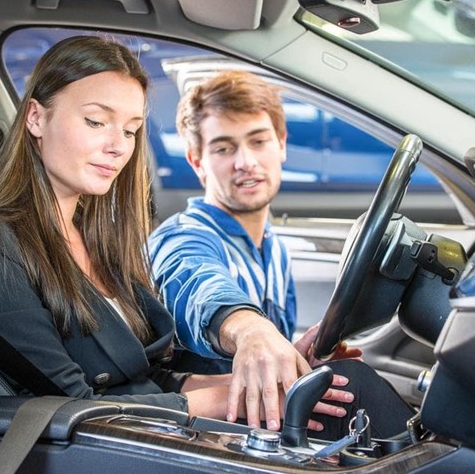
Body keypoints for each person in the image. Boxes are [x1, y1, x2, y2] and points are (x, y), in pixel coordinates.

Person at [0, 36, 244, 421]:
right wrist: (226, 402)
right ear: (36, 117)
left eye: (130, 130)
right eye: (96, 121)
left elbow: (142, 377)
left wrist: (257, 382)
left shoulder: (96, 235)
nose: (118, 146)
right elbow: (66, 407)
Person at [148, 70, 416, 439]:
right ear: (197, 162)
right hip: (206, 435)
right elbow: (195, 282)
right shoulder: (183, 237)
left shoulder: (273, 247)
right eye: (224, 148)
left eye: (258, 141)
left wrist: (294, 360)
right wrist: (250, 330)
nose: (245, 161)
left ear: (282, 144)